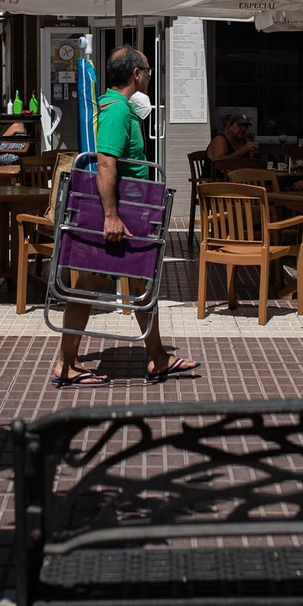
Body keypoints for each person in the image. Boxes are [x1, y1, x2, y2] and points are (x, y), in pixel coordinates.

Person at [55, 46, 199, 388]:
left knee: (139, 284)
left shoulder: (117, 106)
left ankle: (157, 356)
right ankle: (66, 361)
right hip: (122, 212)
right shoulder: (118, 110)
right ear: (136, 74)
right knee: (91, 283)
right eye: (147, 70)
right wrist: (111, 216)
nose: (149, 76)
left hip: (133, 210)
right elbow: (106, 161)